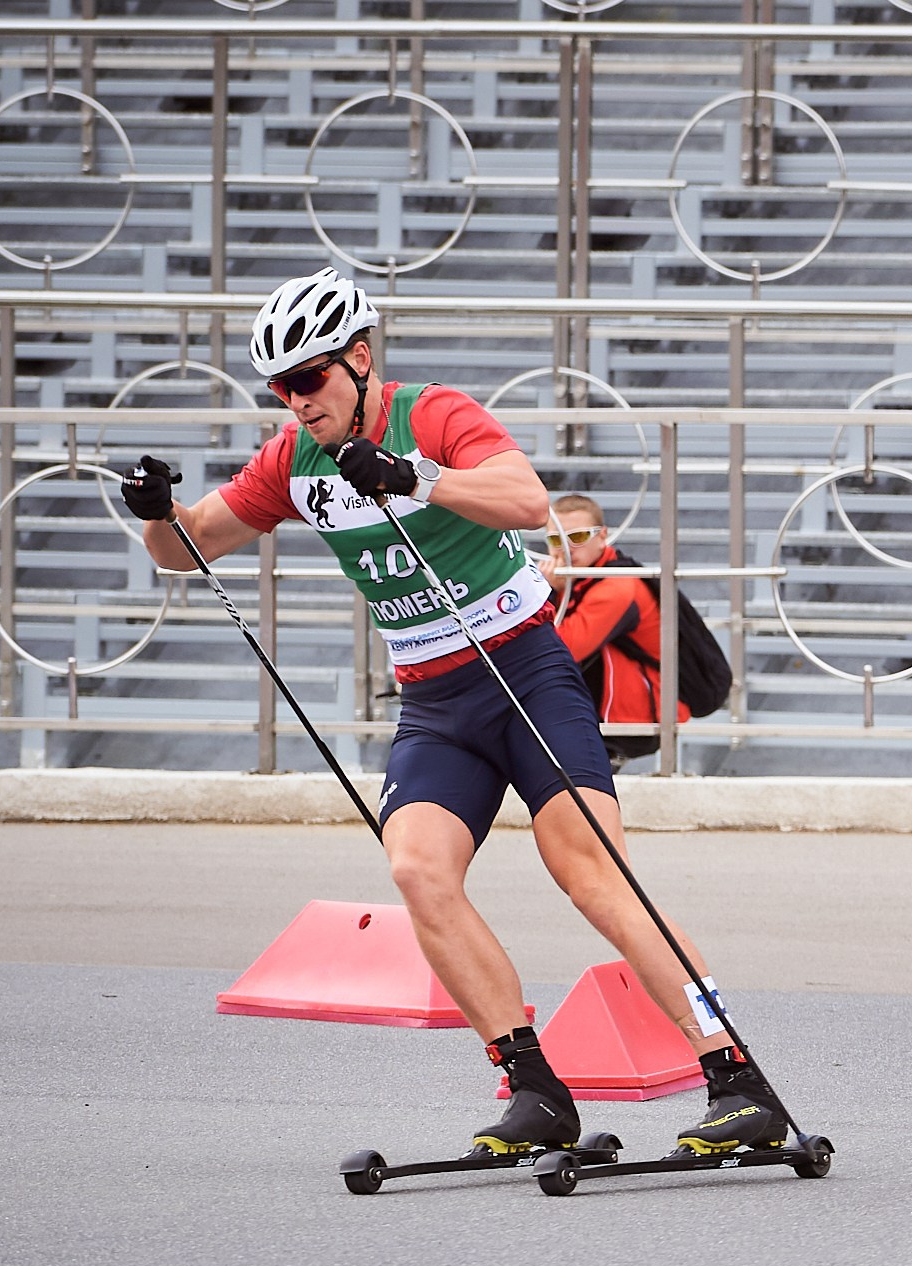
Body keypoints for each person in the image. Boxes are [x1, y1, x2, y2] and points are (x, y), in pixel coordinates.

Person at [119, 266, 788, 1160]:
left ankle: (735, 1075)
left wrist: (414, 477)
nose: (295, 401)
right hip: (435, 701)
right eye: (279, 386)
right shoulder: (293, 458)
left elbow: (525, 499)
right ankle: (535, 1087)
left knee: (592, 869)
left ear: (359, 360)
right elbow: (186, 549)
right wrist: (155, 512)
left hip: (524, 670)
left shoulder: (431, 412)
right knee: (417, 872)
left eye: (309, 378)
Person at [538, 492, 732, 765]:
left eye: (578, 537)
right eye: (556, 539)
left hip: (634, 717)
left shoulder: (618, 586)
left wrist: (547, 591)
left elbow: (563, 648)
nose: (566, 549)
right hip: (615, 712)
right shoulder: (585, 578)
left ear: (602, 536)